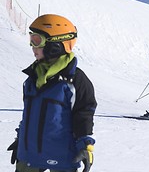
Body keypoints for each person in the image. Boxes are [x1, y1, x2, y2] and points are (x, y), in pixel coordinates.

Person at [7, 14, 97, 172]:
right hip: (29, 156)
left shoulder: (75, 80)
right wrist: (20, 139)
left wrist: (86, 145)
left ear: (55, 44)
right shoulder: (32, 78)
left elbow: (84, 114)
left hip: (62, 158)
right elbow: (29, 116)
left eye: (37, 41)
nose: (32, 47)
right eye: (31, 40)